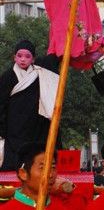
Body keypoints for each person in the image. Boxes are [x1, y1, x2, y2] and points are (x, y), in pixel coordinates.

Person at [0, 40, 60, 171]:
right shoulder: (7, 76)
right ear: (14, 57)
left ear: (33, 59)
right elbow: (1, 104)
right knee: (13, 164)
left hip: (35, 126)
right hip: (14, 128)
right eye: (19, 56)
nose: (23, 59)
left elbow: (54, 58)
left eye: (27, 56)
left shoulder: (40, 73)